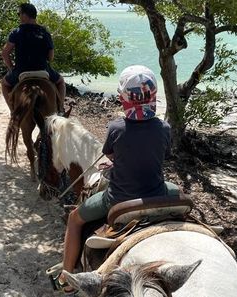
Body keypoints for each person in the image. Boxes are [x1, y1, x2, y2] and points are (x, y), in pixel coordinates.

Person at [57, 65, 180, 294]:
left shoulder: (116, 127)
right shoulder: (164, 128)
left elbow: (112, 154)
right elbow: (163, 155)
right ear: (153, 97)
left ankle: (66, 278)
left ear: (123, 98)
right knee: (179, 193)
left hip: (118, 200)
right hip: (158, 193)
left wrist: (118, 163)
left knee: (75, 219)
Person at [1, 3, 65, 111]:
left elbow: (5, 53)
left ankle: (12, 111)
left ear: (25, 15)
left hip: (21, 70)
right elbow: (51, 57)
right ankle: (61, 108)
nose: (19, 16)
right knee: (61, 82)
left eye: (19, 14)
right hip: (43, 69)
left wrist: (11, 68)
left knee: (4, 84)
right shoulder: (44, 32)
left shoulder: (16, 32)